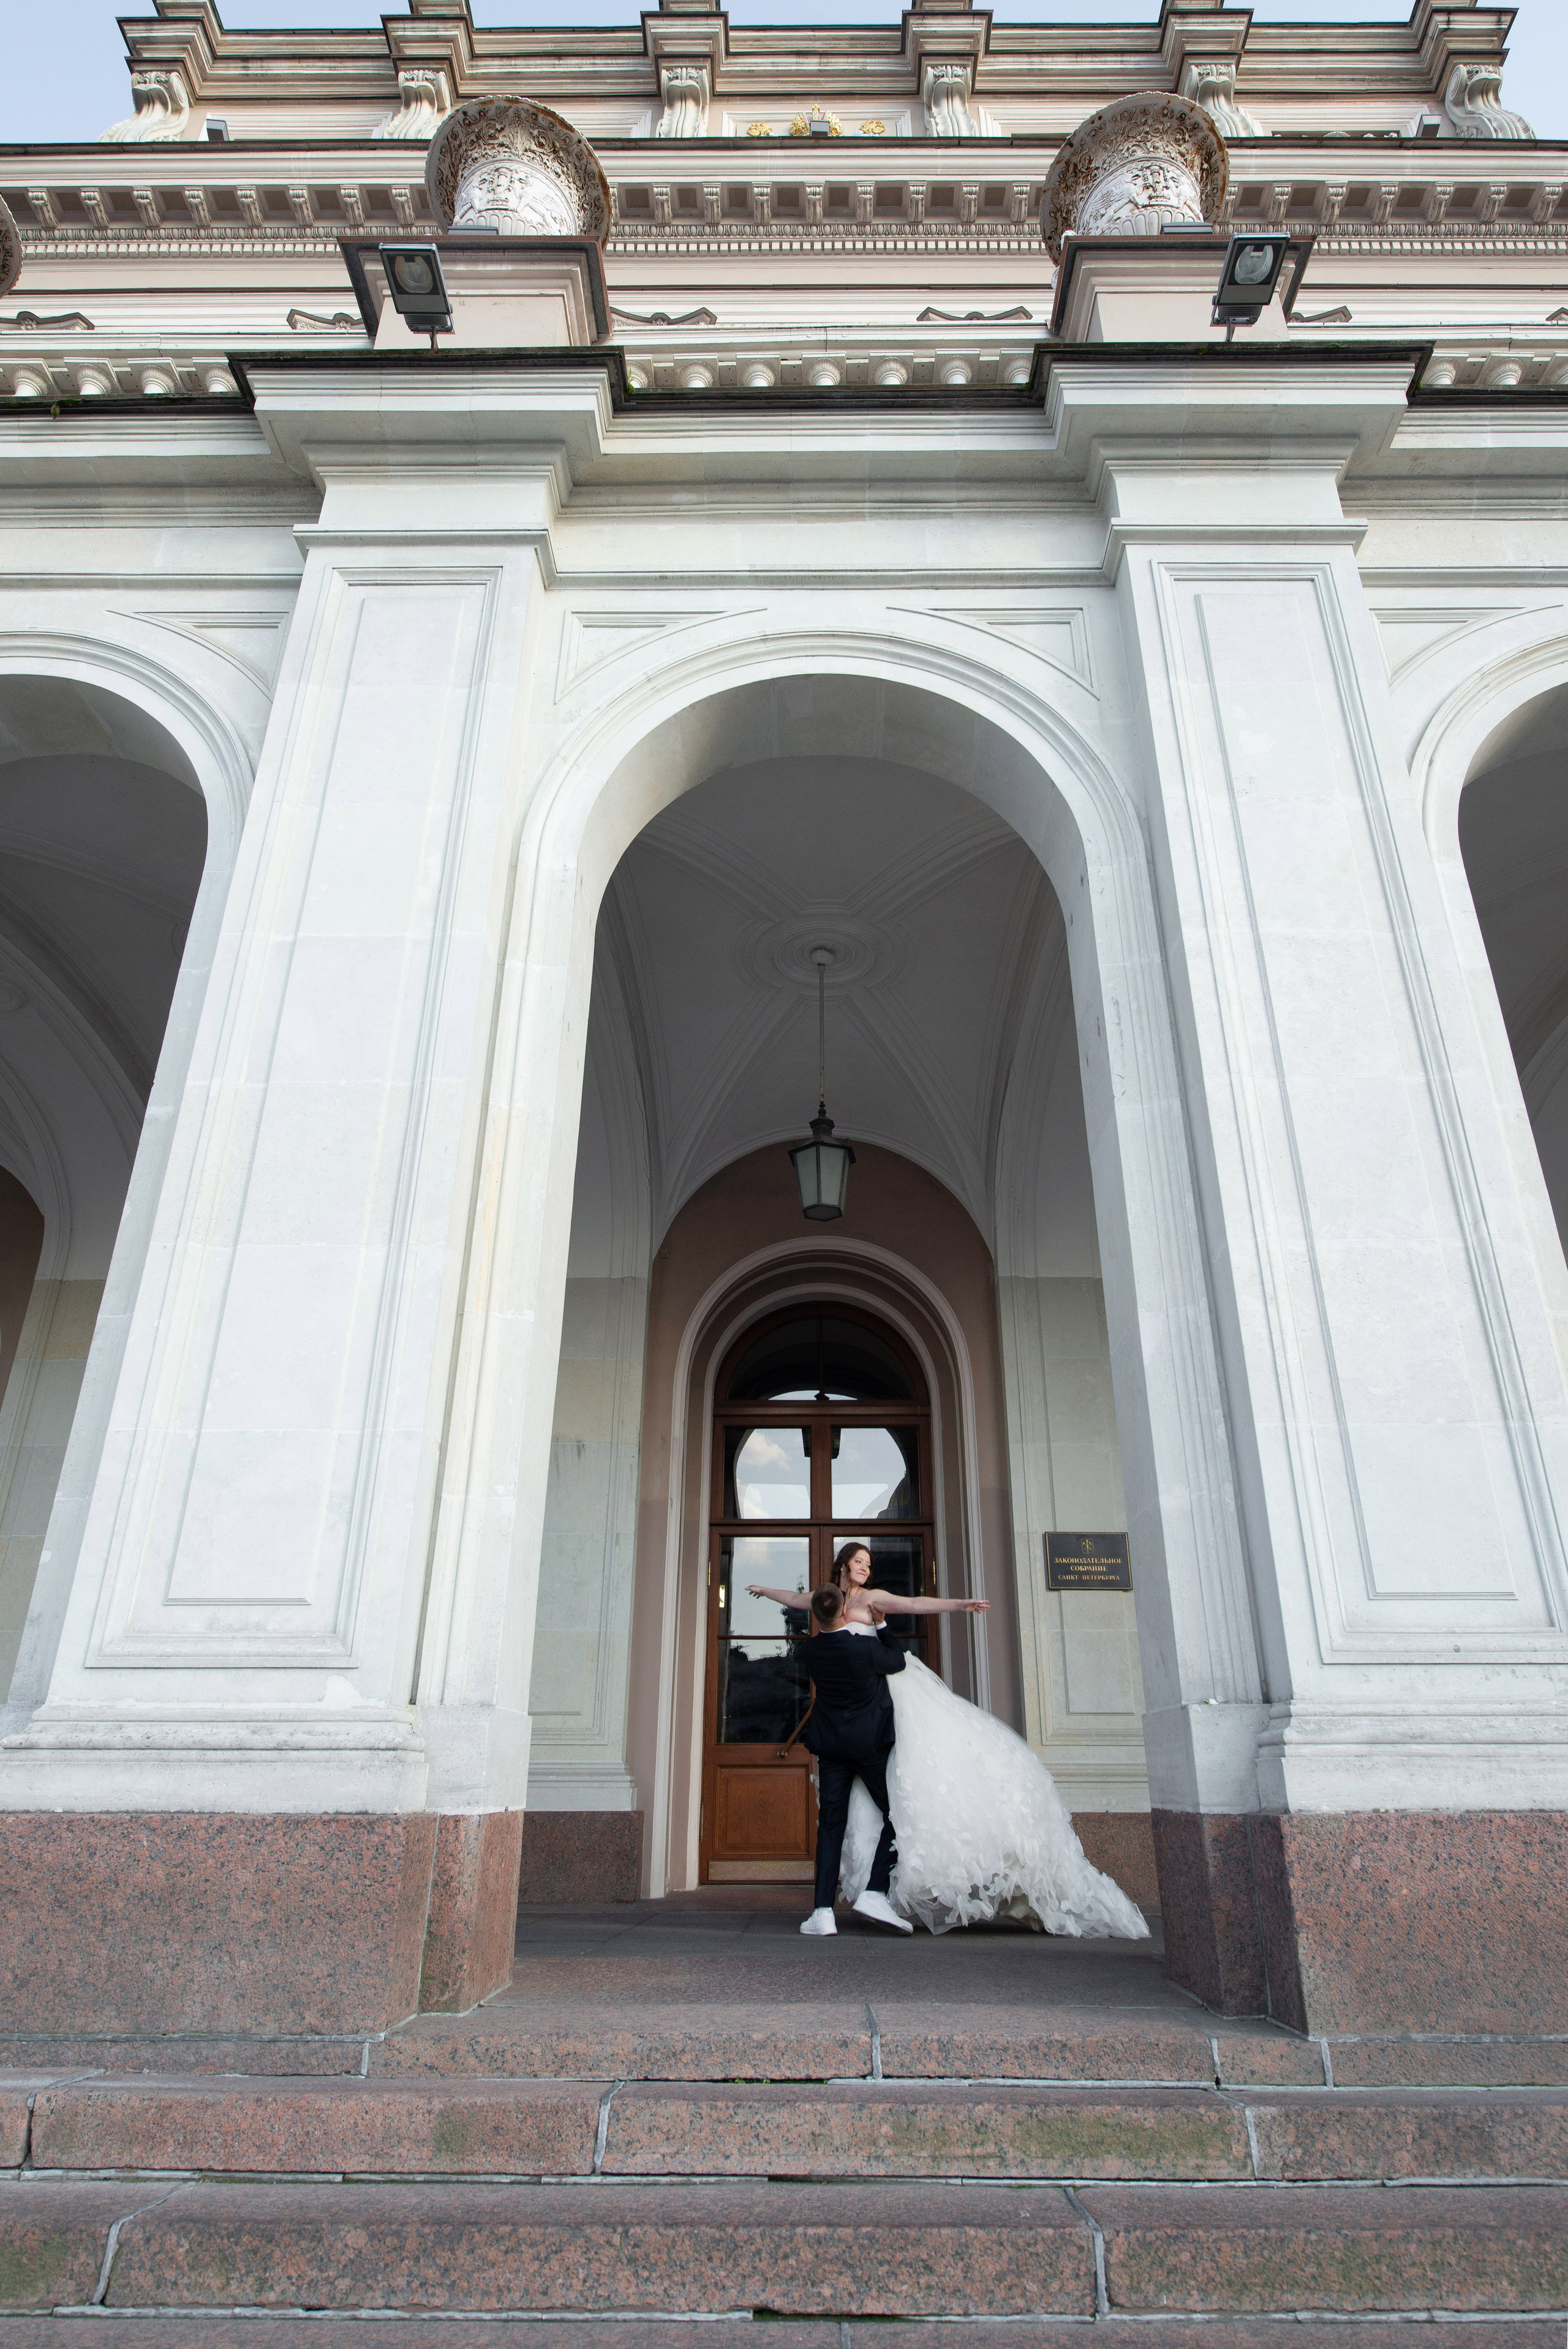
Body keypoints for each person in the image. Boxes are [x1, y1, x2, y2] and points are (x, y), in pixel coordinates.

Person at [748, 1541, 1148, 1939]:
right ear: (843, 1565)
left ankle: (846, 1902)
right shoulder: (829, 1599)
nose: (865, 1568)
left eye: (868, 1563)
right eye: (858, 1562)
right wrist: (767, 1591)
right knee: (884, 1807)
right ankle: (871, 1892)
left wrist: (957, 1605)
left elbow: (915, 1603)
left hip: (882, 1702)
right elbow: (799, 1599)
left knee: (903, 1789)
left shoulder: (871, 1599)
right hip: (861, 1705)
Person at [793, 1582, 911, 1937]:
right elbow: (898, 1661)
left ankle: (823, 1912)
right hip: (869, 1747)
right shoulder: (865, 1648)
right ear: (845, 1612)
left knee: (830, 1826)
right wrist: (882, 1626)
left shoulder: (809, 1653)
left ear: (816, 1617)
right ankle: (875, 1891)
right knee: (899, 1816)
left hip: (831, 1749)